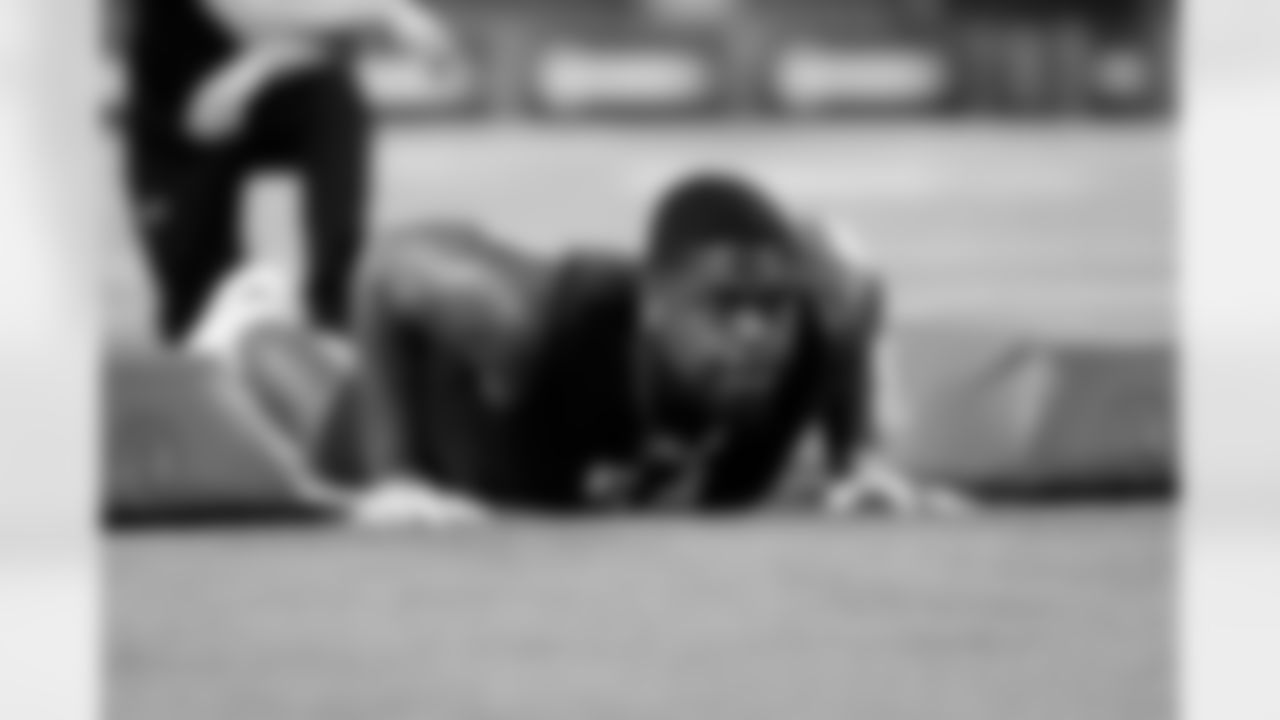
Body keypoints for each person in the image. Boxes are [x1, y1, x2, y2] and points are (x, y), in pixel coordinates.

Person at [209, 171, 966, 526]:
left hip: (589, 463)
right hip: (445, 429)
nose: (756, 336)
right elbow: (386, 270)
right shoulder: (536, 326)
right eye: (726, 310)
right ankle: (249, 321)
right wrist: (398, 478)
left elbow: (856, 286)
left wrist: (858, 461)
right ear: (655, 311)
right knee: (312, 397)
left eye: (773, 310)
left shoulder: (814, 323)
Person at [113, 0, 456, 343]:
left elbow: (330, 33)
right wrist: (386, 11)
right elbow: (250, 17)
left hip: (259, 90)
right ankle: (223, 312)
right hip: (177, 119)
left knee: (332, 99)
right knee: (198, 315)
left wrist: (254, 70)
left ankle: (335, 308)